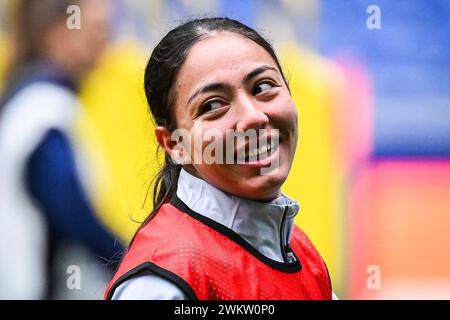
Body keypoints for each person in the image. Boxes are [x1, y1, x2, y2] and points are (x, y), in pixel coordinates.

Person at [105, 17, 336, 300]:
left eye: (263, 88)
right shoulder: (163, 284)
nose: (252, 117)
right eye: (213, 105)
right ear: (175, 144)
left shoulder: (299, 249)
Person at [0, 0, 122, 299]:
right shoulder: (43, 106)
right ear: (56, 32)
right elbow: (69, 208)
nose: (105, 47)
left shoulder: (26, 96)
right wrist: (127, 260)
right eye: (97, 32)